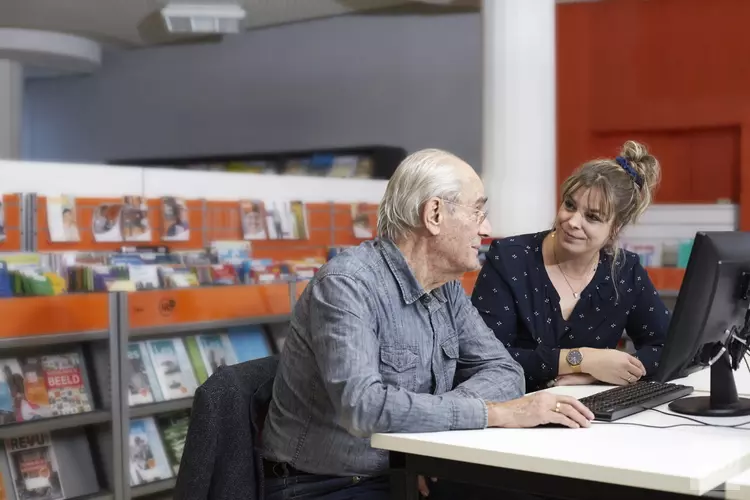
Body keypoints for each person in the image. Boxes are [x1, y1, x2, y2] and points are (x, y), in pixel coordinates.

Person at [260, 148, 594, 500]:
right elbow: (363, 408)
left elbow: (505, 371)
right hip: (322, 486)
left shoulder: (444, 287)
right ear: (434, 214)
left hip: (408, 469)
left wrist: (436, 427)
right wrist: (494, 413)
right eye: (478, 211)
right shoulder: (346, 285)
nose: (487, 227)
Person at [471, 140, 670, 393]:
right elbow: (484, 358)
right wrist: (581, 360)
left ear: (615, 229)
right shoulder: (510, 259)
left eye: (593, 217)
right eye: (569, 205)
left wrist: (597, 375)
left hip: (588, 418)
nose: (573, 221)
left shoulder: (625, 271)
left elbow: (669, 347)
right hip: (515, 409)